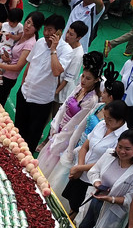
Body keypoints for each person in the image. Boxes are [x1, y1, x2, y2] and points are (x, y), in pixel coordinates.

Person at [39, 58, 105, 186]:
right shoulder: (79, 87)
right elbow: (64, 105)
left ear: (96, 80)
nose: (83, 80)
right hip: (60, 127)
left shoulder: (92, 100)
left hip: (68, 134)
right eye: (83, 76)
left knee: (54, 158)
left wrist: (61, 134)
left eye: (88, 78)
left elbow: (77, 122)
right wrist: (55, 124)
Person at [14, 13, 73, 152]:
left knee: (31, 137)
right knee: (17, 131)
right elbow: (29, 64)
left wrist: (53, 50)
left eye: (50, 30)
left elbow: (57, 71)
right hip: (25, 94)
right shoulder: (40, 42)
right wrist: (22, 86)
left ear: (59, 32)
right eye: (45, 29)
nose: (46, 33)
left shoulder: (66, 51)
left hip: (41, 101)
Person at [62, 100, 130, 214]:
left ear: (121, 121)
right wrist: (80, 166)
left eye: (110, 120)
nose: (105, 121)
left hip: (93, 180)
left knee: (78, 209)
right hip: (80, 171)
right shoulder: (101, 124)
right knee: (71, 201)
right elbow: (84, 147)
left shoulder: (123, 138)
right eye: (105, 117)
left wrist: (80, 168)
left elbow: (105, 163)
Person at [0, 11, 42, 106]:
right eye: (28, 22)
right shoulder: (20, 33)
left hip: (7, 78)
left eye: (32, 25)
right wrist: (2, 55)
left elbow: (18, 67)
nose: (28, 26)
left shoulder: (30, 44)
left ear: (37, 29)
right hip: (0, 70)